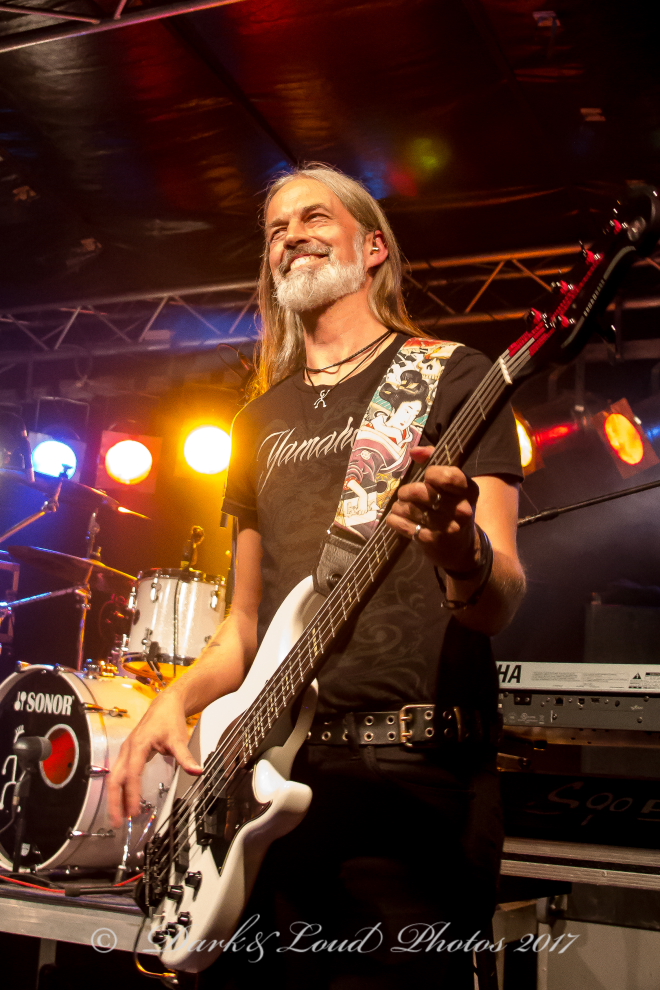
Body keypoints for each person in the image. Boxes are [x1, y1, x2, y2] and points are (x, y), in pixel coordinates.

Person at [109, 164, 526, 988]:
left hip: (413, 779)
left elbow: (500, 600)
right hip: (270, 783)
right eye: (275, 229)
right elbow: (244, 627)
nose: (290, 236)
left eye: (313, 217)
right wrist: (172, 700)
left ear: (373, 247)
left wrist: (461, 555)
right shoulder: (256, 420)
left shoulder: (451, 375)